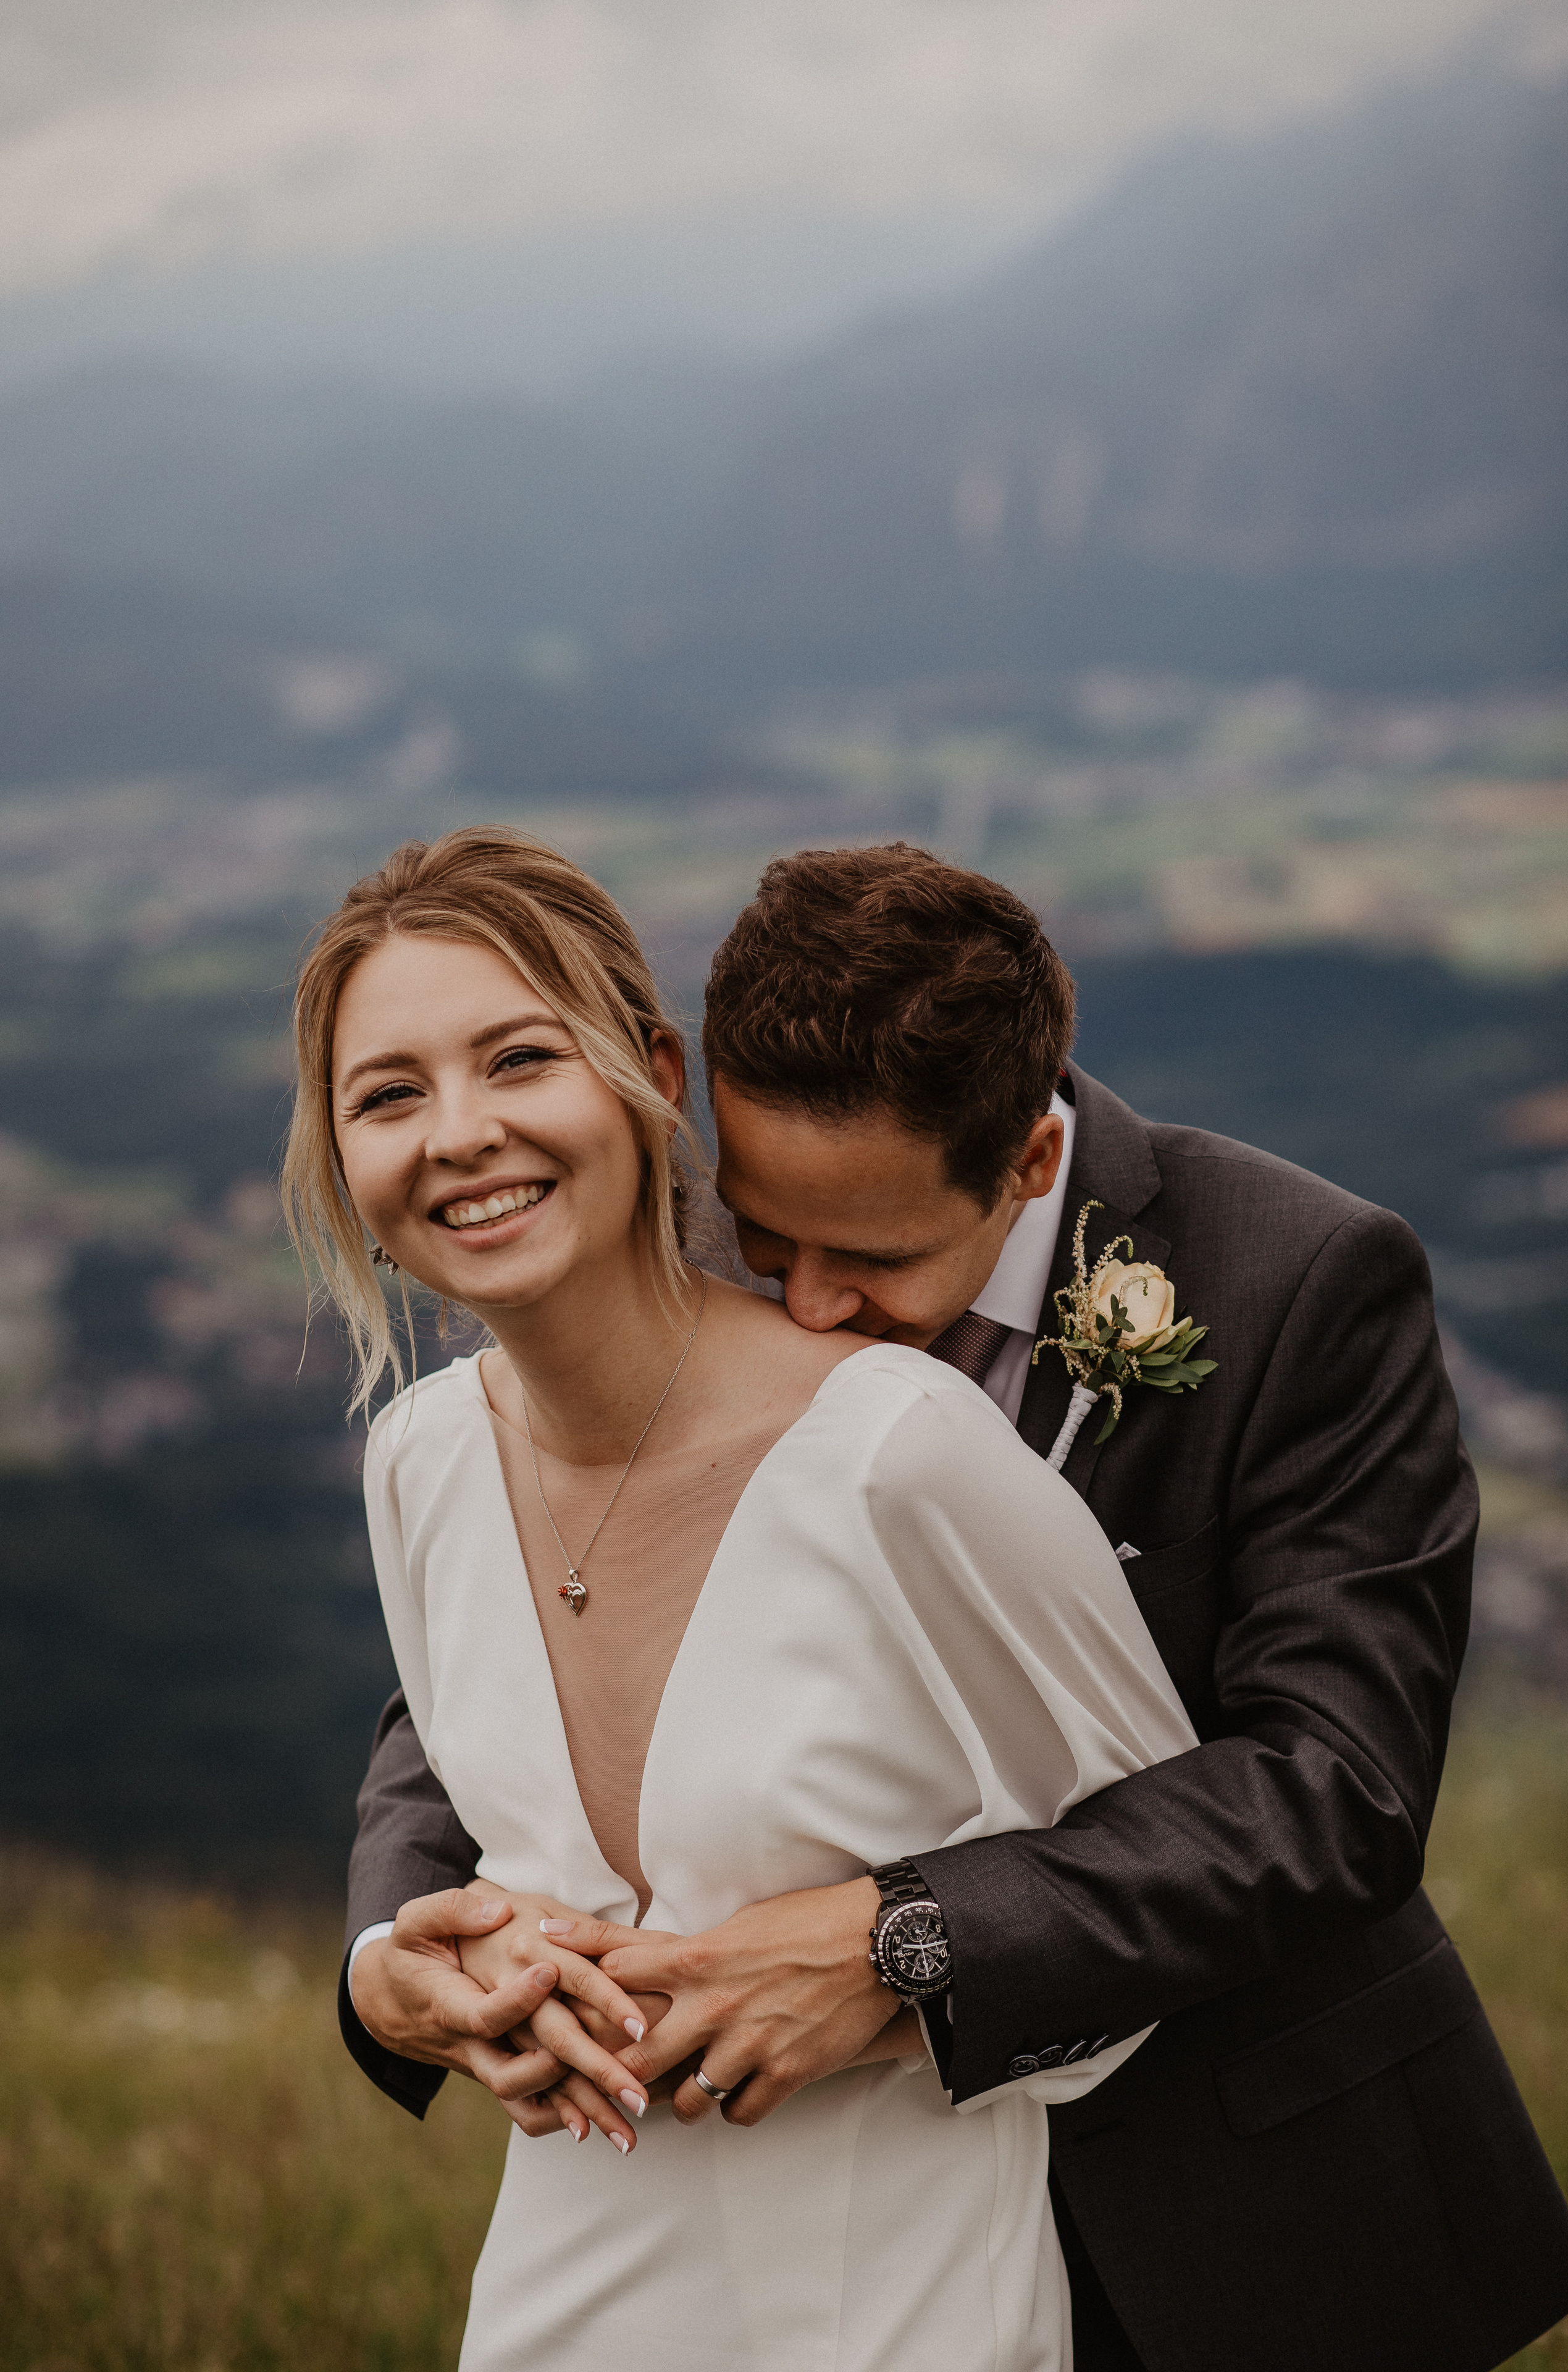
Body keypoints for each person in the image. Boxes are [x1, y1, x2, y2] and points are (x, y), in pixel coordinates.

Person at [343, 839, 1568, 2371]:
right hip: (813, 2224)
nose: (795, 1305)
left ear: (1027, 1169)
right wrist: (394, 1935)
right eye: (761, 1237)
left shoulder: (1297, 1281)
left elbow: (1333, 1791)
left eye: (865, 1259)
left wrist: (899, 1942)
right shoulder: (680, 1229)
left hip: (1229, 2187)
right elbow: (524, 1623)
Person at [285, 826, 1202, 2371]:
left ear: (647, 1075)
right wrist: (423, 1971)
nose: (456, 1135)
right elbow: (449, 1802)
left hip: (894, 2312)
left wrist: (902, 1966)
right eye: (388, 1094)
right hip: (559, 2301)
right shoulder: (418, 1465)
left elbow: (1161, 1888)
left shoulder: (898, 1454)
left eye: (517, 1060)